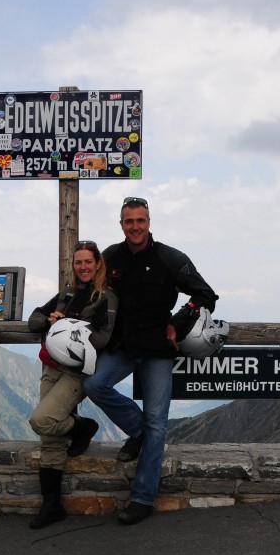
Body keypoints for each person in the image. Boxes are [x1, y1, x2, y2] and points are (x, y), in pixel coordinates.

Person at [83, 197, 218, 525]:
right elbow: (86, 290)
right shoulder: (110, 257)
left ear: (149, 222)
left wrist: (178, 322)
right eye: (129, 221)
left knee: (158, 423)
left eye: (140, 220)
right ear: (121, 224)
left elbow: (205, 296)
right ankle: (138, 430)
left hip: (158, 349)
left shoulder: (171, 258)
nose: (135, 227)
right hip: (123, 346)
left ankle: (142, 499)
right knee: (94, 385)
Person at [26, 240, 118, 529]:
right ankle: (51, 505)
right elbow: (33, 320)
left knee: (43, 420)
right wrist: (51, 320)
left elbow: (105, 338)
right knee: (50, 439)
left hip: (77, 372)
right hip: (50, 366)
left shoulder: (106, 297)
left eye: (88, 262)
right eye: (78, 262)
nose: (83, 267)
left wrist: (69, 326)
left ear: (98, 263)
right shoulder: (66, 292)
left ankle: (83, 426)